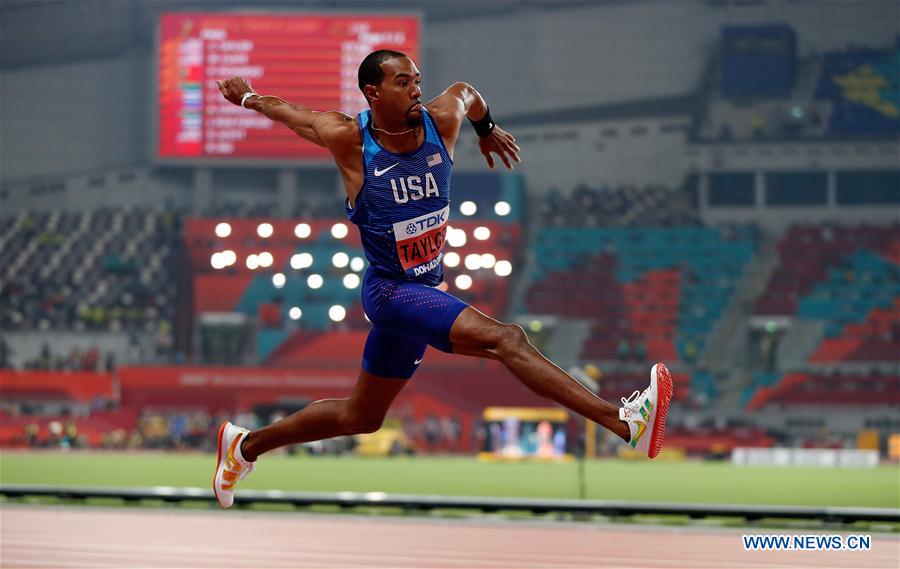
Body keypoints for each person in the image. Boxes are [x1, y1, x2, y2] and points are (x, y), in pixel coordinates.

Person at [212, 50, 673, 508]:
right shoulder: (349, 140)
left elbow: (467, 94)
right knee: (507, 339)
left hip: (424, 290)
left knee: (362, 416)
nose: (415, 88)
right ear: (373, 92)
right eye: (401, 82)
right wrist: (249, 97)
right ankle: (625, 421)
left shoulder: (441, 119)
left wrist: (487, 128)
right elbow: (294, 115)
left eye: (416, 79)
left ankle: (244, 446)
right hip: (390, 292)